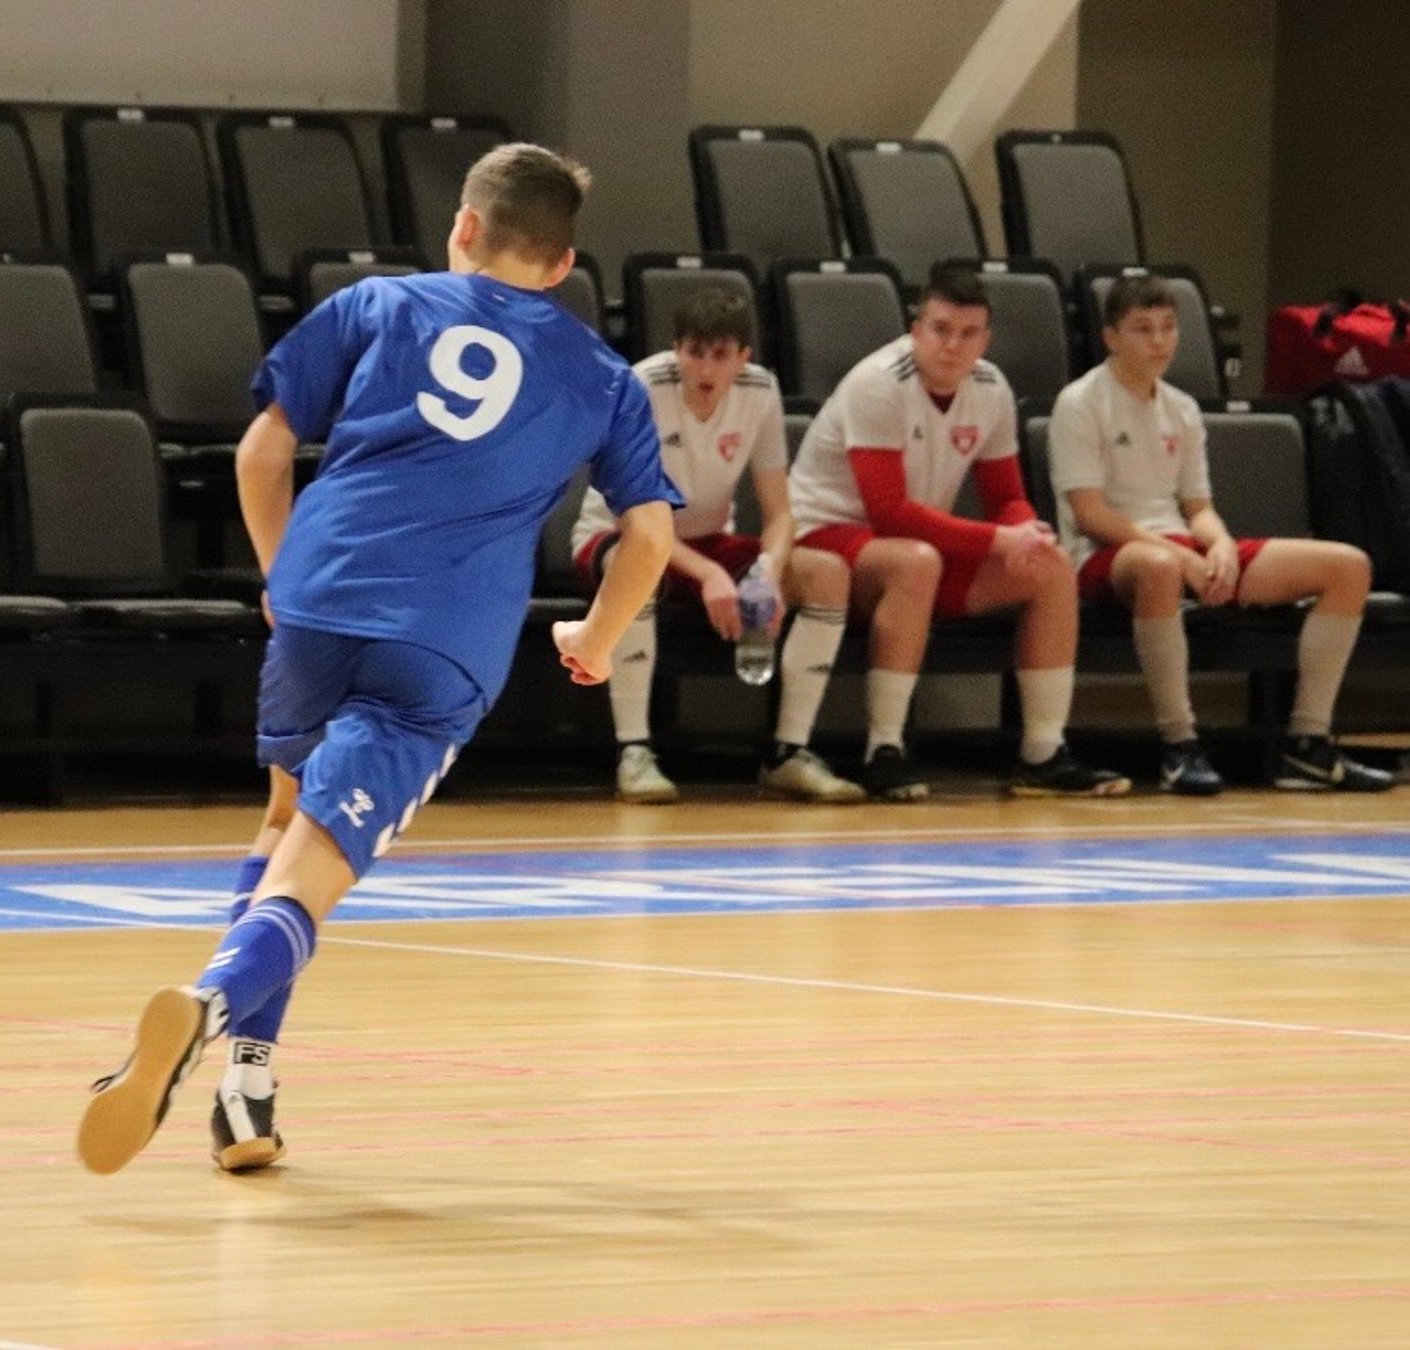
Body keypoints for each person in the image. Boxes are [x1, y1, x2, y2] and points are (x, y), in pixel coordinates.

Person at [77, 143, 681, 1176]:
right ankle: (214, 1007)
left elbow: (263, 450)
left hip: (320, 596)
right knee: (313, 874)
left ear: (463, 227)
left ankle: (248, 1091)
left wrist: (282, 574)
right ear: (564, 261)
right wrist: (596, 636)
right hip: (440, 640)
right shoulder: (603, 377)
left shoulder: (377, 306)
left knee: (282, 825)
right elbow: (652, 539)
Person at [786, 262, 1130, 800]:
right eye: (941, 330)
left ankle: (1042, 753)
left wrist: (1025, 531)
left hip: (917, 551)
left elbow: (1007, 498)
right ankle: (884, 749)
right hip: (826, 538)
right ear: (915, 330)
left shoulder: (991, 389)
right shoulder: (876, 384)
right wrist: (999, 539)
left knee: (1051, 565)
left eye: (968, 334)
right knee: (915, 559)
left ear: (985, 340)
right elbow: (889, 512)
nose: (952, 345)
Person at [1048, 273, 1394, 794]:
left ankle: (1307, 745)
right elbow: (1092, 514)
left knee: (1347, 566)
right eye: (1143, 329)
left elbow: (1199, 507)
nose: (1159, 341)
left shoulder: (1183, 408)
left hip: (1176, 542)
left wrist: (1222, 545)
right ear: (1111, 337)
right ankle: (1180, 744)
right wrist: (1178, 554)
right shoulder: (1080, 403)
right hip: (1107, 554)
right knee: (1161, 568)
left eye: (1168, 327)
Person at [569, 286, 864, 804]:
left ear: (743, 358)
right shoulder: (640, 385)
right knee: (638, 565)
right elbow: (636, 519)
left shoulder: (760, 390)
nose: (705, 369)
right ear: (676, 350)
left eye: (721, 355)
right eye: (694, 353)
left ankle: (787, 753)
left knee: (826, 572)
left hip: (707, 539)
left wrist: (769, 569)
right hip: (618, 534)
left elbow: (780, 511)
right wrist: (708, 574)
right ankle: (634, 751)